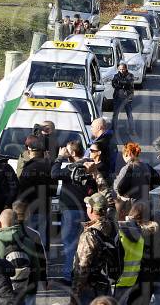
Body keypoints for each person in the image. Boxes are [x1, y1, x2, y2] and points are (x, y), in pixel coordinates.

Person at [51, 141, 98, 284]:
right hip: (86, 210)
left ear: (72, 153)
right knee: (82, 245)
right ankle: (81, 274)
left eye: (67, 150)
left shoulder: (71, 168)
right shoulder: (90, 166)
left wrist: (59, 157)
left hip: (70, 211)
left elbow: (54, 173)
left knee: (69, 244)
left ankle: (67, 276)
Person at [70, 192, 119, 304]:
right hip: (106, 284)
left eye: (87, 206)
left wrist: (75, 295)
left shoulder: (89, 235)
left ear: (92, 210)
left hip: (89, 289)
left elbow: (82, 267)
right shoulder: (112, 225)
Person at [0, 209, 41, 304]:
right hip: (24, 288)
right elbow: (36, 267)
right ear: (17, 223)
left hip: (2, 290)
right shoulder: (28, 242)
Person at [88, 118, 117, 185]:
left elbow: (105, 162)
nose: (91, 129)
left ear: (99, 127)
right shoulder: (109, 139)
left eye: (92, 127)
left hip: (100, 177)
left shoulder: (102, 143)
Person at [112, 63, 136, 135]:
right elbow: (114, 84)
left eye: (123, 69)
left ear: (126, 68)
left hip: (127, 98)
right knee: (115, 114)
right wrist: (122, 84)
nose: (122, 70)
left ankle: (132, 130)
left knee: (129, 114)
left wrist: (120, 83)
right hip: (118, 97)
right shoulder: (116, 76)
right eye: (120, 69)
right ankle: (113, 129)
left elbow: (129, 83)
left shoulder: (130, 75)